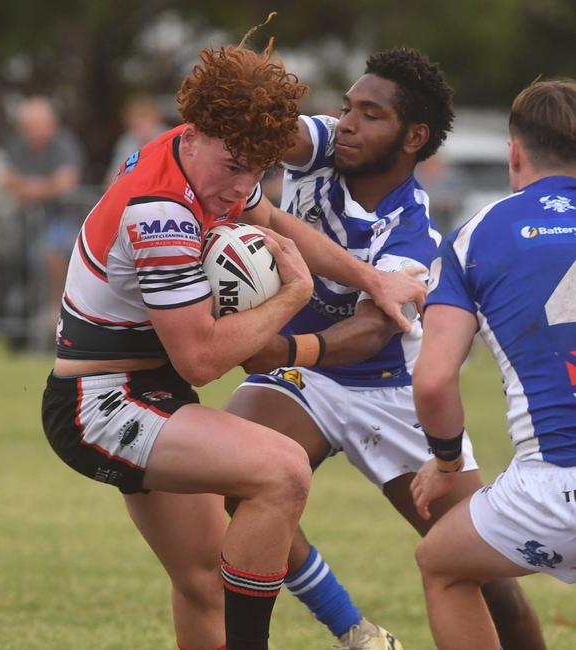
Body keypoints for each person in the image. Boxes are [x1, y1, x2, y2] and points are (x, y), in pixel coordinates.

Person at [41, 21, 425, 650]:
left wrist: (370, 279)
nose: (241, 186)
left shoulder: (200, 156)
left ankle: (346, 629)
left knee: (204, 582)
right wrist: (296, 298)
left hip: (143, 387)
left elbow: (268, 215)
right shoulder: (160, 213)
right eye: (234, 166)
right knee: (281, 471)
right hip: (103, 403)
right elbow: (200, 359)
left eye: (259, 169)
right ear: (193, 134)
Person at [225, 47, 546, 650]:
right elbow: (281, 132)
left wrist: (287, 350)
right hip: (309, 381)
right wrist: (249, 98)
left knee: (488, 572)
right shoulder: (325, 144)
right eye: (348, 106)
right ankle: (354, 631)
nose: (347, 121)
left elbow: (376, 328)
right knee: (242, 477)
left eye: (370, 114)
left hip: (392, 392)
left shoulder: (415, 229)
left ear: (412, 135)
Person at [410, 78, 576, 650]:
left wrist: (448, 463)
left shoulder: (475, 237)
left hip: (552, 493)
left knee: (442, 563)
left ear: (514, 152)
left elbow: (432, 381)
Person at [0, 96, 84, 342]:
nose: (32, 133)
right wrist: (45, 186)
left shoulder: (64, 143)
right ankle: (7, 320)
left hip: (62, 219)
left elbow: (67, 182)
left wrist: (29, 188)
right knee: (6, 258)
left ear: (50, 124)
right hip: (25, 223)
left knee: (53, 252)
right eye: (27, 127)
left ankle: (54, 308)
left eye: (36, 126)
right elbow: (5, 180)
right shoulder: (17, 145)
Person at [104, 94, 170, 183]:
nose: (142, 127)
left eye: (146, 121)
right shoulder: (127, 141)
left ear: (155, 120)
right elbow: (113, 176)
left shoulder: (168, 138)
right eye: (137, 124)